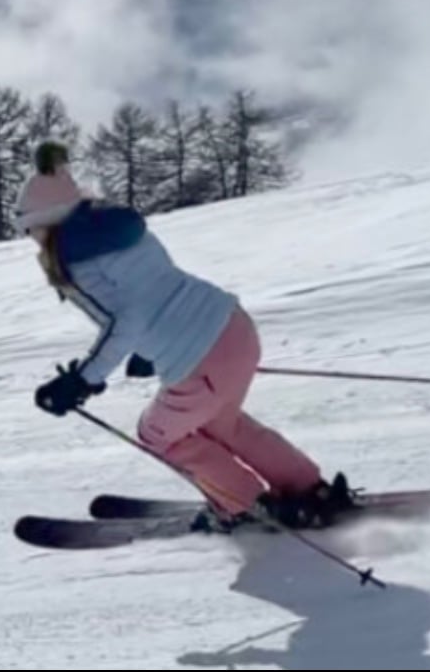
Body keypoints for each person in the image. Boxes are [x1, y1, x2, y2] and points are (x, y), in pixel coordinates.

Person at [18, 139, 354, 531]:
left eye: (33, 230)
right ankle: (310, 491)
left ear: (51, 221)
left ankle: (244, 507)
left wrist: (82, 380)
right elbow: (153, 291)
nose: (34, 240)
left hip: (201, 359)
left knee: (158, 435)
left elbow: (125, 320)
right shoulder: (115, 230)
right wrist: (147, 351)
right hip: (234, 326)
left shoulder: (78, 257)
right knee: (222, 424)